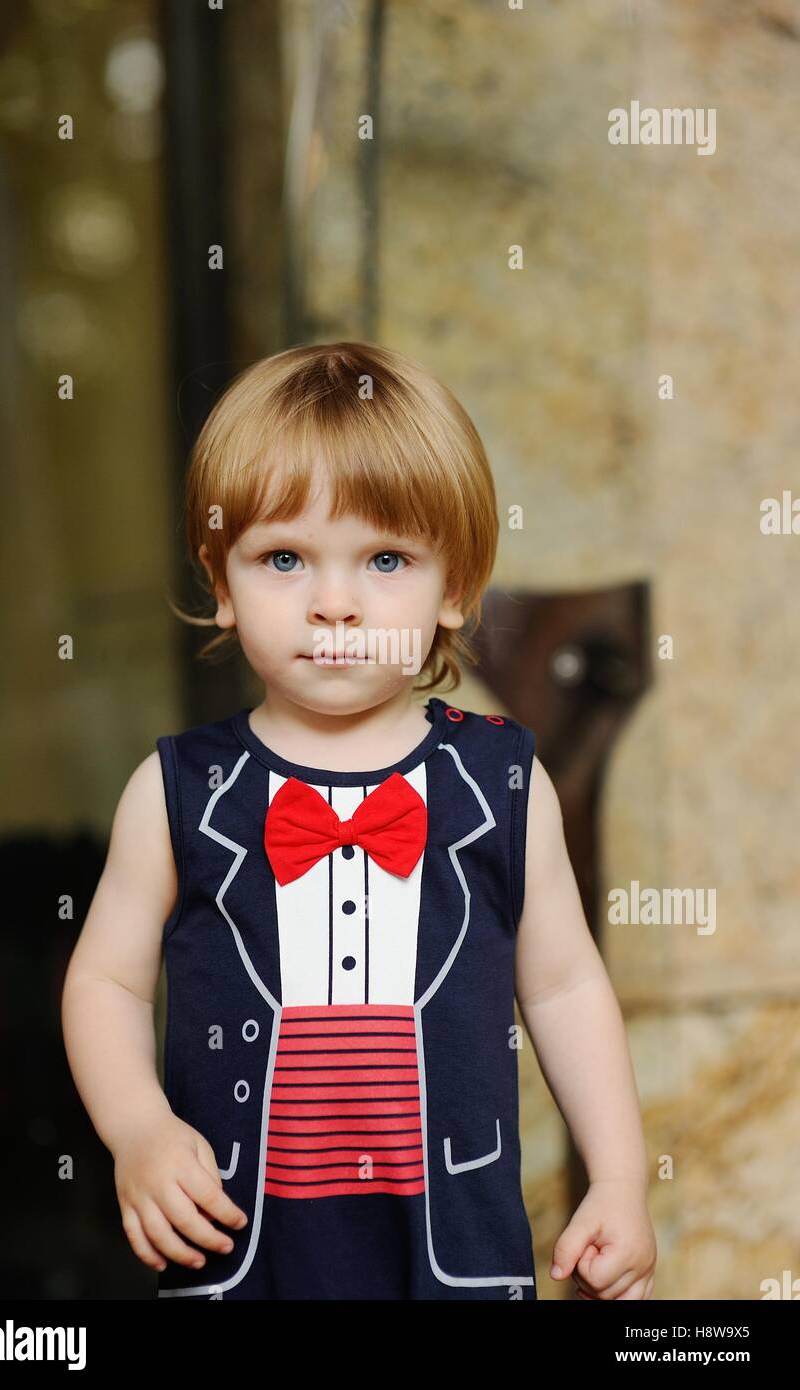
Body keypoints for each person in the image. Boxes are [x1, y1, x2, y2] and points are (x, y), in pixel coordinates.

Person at [61, 340, 656, 1300]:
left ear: (453, 586)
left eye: (385, 559)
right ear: (221, 580)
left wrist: (620, 1178)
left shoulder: (502, 779)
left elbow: (561, 987)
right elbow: (106, 981)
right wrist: (138, 1127)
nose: (333, 605)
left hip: (446, 1234)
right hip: (246, 1231)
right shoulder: (176, 790)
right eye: (283, 558)